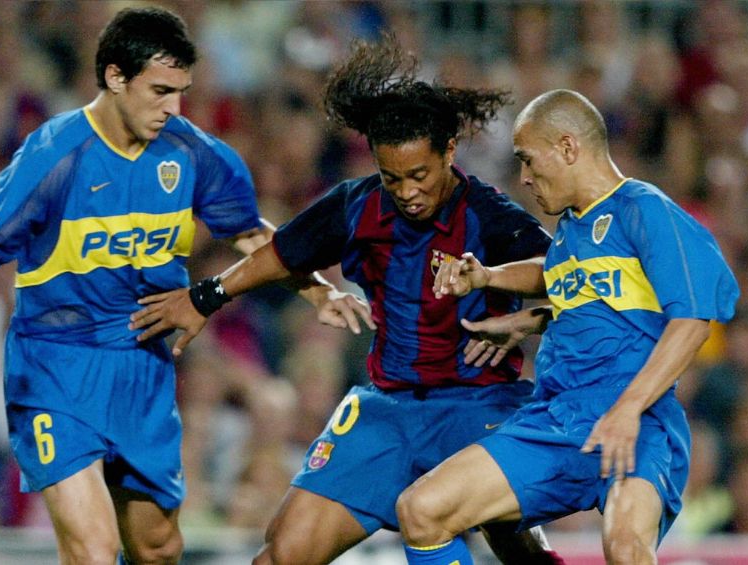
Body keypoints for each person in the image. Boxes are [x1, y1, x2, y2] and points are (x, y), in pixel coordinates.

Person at [0, 8, 353, 565]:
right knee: (92, 549)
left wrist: (318, 290)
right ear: (114, 76)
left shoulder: (193, 154)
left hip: (143, 368)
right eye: (159, 91)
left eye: (180, 92)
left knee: (157, 548)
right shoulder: (55, 154)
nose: (172, 107)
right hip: (57, 368)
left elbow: (252, 235)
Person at [129, 37, 564, 564]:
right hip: (388, 410)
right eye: (392, 177)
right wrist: (205, 297)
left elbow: (565, 276)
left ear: (449, 151)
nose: (407, 192)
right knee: (281, 555)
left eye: (419, 175)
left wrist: (528, 318)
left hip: (479, 405)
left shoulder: (491, 217)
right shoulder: (357, 207)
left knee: (512, 540)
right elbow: (279, 254)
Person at [395, 89, 739, 564]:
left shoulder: (644, 209)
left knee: (626, 548)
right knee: (421, 510)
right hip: (556, 419)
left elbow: (693, 321)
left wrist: (628, 409)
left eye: (528, 159)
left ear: (568, 147)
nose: (524, 177)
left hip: (638, 423)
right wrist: (496, 283)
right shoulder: (572, 232)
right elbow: (566, 283)